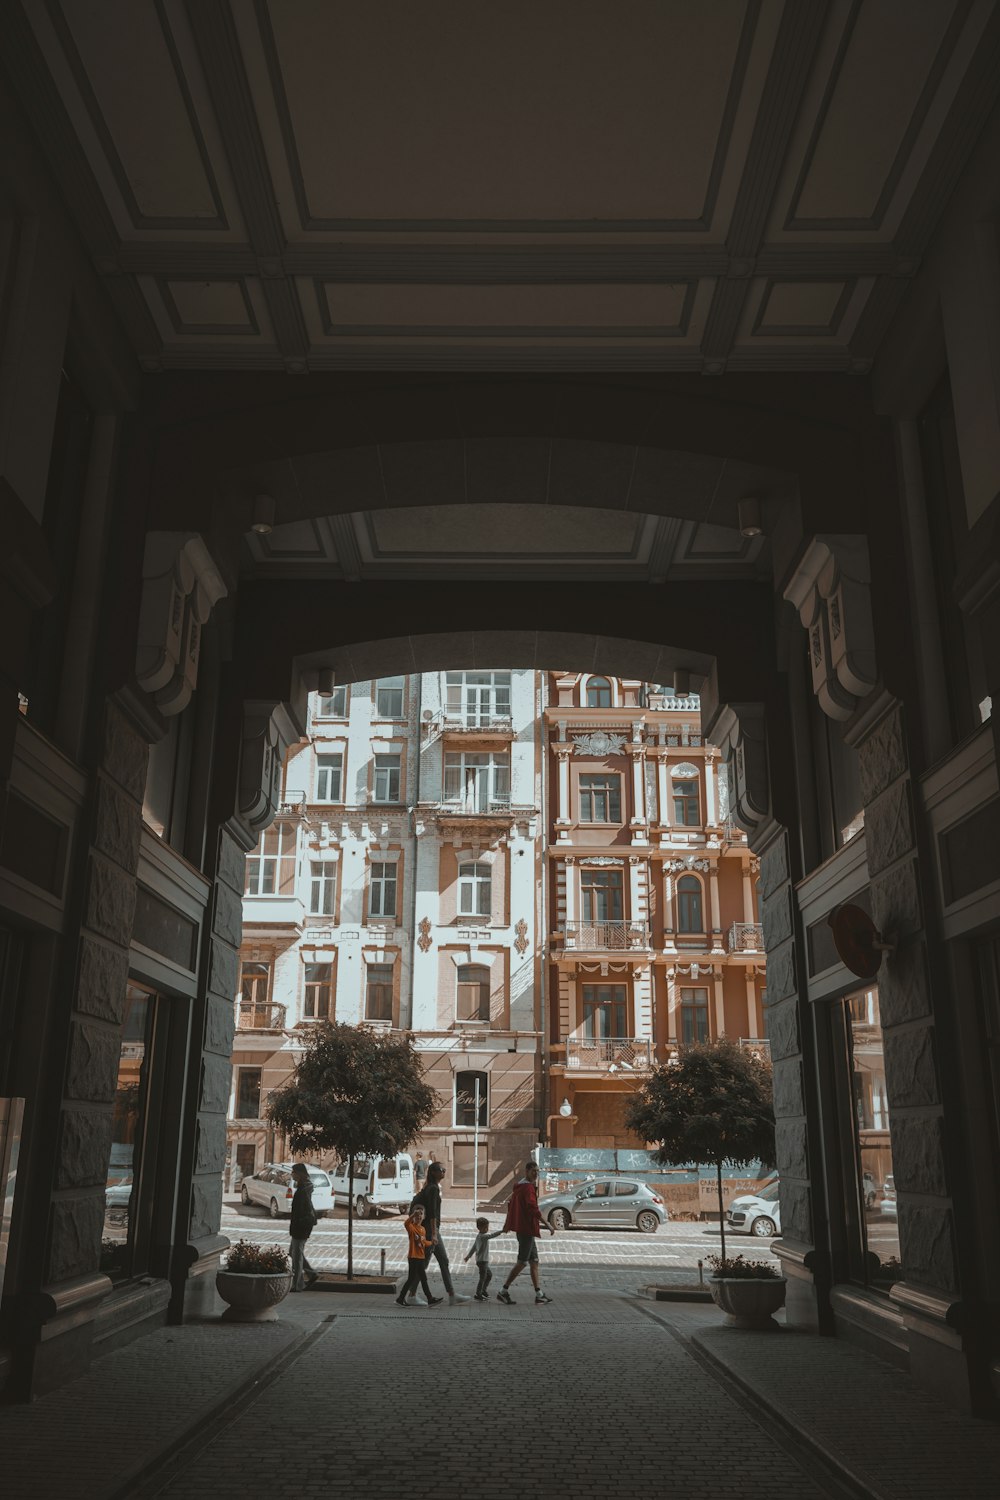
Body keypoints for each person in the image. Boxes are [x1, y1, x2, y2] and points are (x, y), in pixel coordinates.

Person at [407, 1160, 469, 1304]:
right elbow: (433, 1214)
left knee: (444, 1261)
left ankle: (452, 1294)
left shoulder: (430, 1187)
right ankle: (411, 1295)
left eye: (444, 1170)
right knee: (423, 1264)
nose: (444, 1172)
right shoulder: (433, 1189)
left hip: (432, 1231)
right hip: (430, 1232)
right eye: (442, 1170)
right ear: (434, 1172)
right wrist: (434, 1234)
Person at [496, 1161, 554, 1305]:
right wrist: (548, 1224)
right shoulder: (527, 1188)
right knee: (522, 1262)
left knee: (534, 1261)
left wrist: (507, 1223)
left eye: (537, 1171)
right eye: (533, 1171)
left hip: (524, 1229)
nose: (536, 1174)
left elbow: (511, 1206)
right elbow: (533, 1209)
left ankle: (539, 1294)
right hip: (526, 1230)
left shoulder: (520, 1186)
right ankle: (503, 1291)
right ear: (527, 1171)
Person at [396, 1204, 442, 1307]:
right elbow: (406, 1223)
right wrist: (412, 1216)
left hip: (420, 1257)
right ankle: (401, 1298)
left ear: (424, 1216)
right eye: (417, 1214)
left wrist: (432, 1243)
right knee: (411, 1279)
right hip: (413, 1257)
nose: (419, 1216)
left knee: (423, 1278)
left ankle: (429, 1298)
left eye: (421, 1214)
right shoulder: (412, 1228)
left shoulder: (422, 1229)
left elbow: (424, 1242)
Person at [288, 1162, 319, 1291]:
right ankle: (311, 1274)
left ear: (299, 1174)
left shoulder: (302, 1190)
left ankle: (298, 1284)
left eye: (293, 1172)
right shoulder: (304, 1188)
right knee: (294, 1252)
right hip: (301, 1225)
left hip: (301, 1226)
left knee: (296, 1256)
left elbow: (301, 1210)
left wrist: (297, 1224)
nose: (292, 1174)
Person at [463, 1216, 505, 1301]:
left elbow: (474, 1247)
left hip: (481, 1261)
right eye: (485, 1227)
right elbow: (492, 1235)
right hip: (482, 1261)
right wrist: (502, 1231)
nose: (487, 1229)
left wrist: (468, 1256)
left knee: (488, 1275)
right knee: (483, 1277)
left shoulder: (479, 1236)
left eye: (487, 1227)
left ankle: (483, 1290)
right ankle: (479, 1293)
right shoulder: (483, 1237)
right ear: (479, 1228)